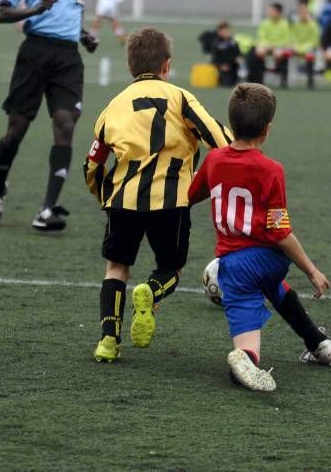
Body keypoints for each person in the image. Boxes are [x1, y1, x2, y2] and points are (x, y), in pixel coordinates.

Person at [85, 27, 232, 363]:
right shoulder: (180, 97)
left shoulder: (112, 107)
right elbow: (220, 140)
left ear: (130, 66)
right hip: (172, 200)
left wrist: (103, 197)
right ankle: (149, 292)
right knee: (171, 268)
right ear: (167, 65)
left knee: (116, 267)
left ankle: (108, 341)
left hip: (123, 200)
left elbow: (93, 164)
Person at [188, 83, 331, 392]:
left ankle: (245, 360)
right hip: (272, 259)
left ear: (230, 123)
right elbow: (280, 232)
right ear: (267, 128)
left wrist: (311, 270)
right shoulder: (271, 169)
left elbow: (191, 195)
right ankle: (319, 344)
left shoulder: (215, 159)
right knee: (273, 286)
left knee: (245, 353)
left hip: (237, 266)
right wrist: (310, 270)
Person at [0, 0, 98, 231]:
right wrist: (34, 10)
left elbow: (74, 9)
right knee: (16, 129)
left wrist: (82, 34)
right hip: (34, 52)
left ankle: (47, 210)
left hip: (68, 57)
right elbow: (2, 13)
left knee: (66, 123)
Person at [247, 2, 291, 87]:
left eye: (272, 11)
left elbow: (285, 40)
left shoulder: (285, 24)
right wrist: (267, 46)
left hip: (279, 47)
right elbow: (261, 38)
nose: (269, 13)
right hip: (266, 47)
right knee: (258, 52)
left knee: (280, 53)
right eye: (269, 11)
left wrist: (275, 46)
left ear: (279, 13)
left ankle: (282, 79)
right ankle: (258, 78)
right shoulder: (265, 23)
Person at [199, 21, 241, 87]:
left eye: (228, 30)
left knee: (234, 81)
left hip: (232, 65)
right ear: (219, 32)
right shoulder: (216, 43)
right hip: (221, 66)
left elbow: (237, 53)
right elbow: (215, 58)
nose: (227, 32)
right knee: (227, 83)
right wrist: (220, 65)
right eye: (225, 31)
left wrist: (238, 58)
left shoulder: (232, 42)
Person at [290, 0, 319, 90]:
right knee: (284, 53)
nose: (302, 11)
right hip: (295, 46)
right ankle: (284, 79)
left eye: (304, 9)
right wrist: (293, 45)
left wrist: (310, 22)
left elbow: (315, 39)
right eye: (300, 9)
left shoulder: (313, 23)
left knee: (310, 55)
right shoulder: (293, 21)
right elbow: (290, 35)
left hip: (308, 47)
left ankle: (310, 80)